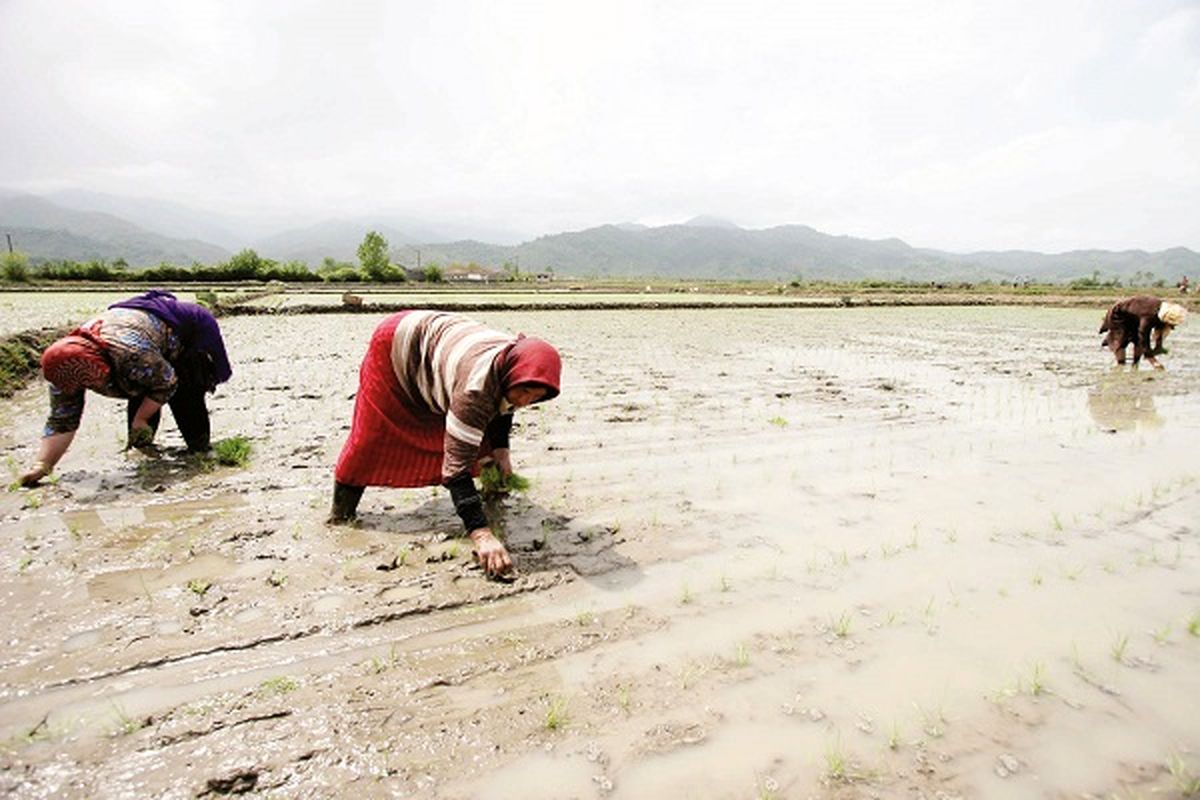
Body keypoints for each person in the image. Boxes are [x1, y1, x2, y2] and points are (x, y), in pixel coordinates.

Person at [329, 310, 561, 578]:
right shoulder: (475, 391)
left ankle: (493, 493)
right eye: (523, 392)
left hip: (442, 346)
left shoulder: (516, 366)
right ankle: (340, 516)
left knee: (481, 437)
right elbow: (457, 468)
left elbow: (503, 406)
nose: (524, 401)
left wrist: (502, 452)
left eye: (535, 397)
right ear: (511, 375)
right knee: (372, 438)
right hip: (397, 344)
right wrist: (482, 534)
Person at [19, 290, 232, 486]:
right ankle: (143, 452)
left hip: (185, 330)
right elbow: (62, 420)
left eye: (94, 382)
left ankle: (200, 450)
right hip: (140, 341)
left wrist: (141, 419)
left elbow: (167, 382)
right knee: (138, 388)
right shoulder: (63, 369)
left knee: (185, 390)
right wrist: (43, 466)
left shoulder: (130, 354)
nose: (92, 387)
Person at [1098, 296, 1187, 369]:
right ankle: (1120, 364)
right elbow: (1144, 336)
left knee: (1137, 340)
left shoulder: (1161, 311)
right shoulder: (1148, 316)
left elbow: (1159, 331)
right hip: (1118, 314)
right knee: (1121, 340)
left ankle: (1135, 365)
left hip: (1134, 316)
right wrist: (1152, 359)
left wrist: (1158, 346)